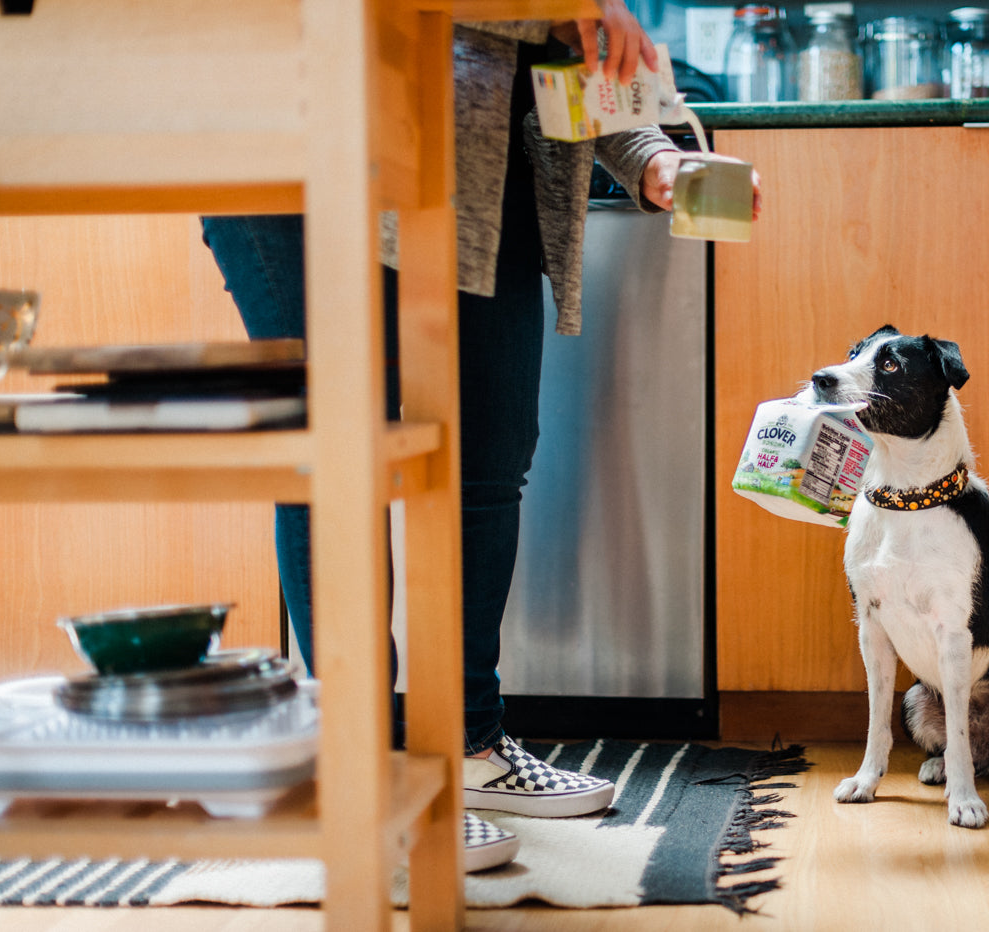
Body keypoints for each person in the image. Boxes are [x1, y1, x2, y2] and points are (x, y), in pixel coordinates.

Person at [201, 4, 762, 874]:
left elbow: (563, 53)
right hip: (299, 149)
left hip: (470, 167)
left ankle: (466, 744)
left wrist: (653, 156)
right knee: (340, 458)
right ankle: (364, 772)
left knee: (488, 458)